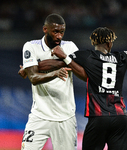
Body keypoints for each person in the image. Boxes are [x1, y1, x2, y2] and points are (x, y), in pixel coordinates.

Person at [51, 21, 127, 150]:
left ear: (94, 42)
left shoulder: (87, 56)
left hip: (98, 118)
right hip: (119, 117)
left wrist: (36, 66)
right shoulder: (122, 57)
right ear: (109, 43)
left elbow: (58, 62)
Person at [19, 13, 78, 150]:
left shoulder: (70, 47)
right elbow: (34, 78)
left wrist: (35, 66)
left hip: (65, 117)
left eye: (62, 32)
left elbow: (80, 69)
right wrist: (58, 70)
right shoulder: (31, 46)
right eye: (55, 31)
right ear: (45, 29)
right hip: (39, 116)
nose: (59, 36)